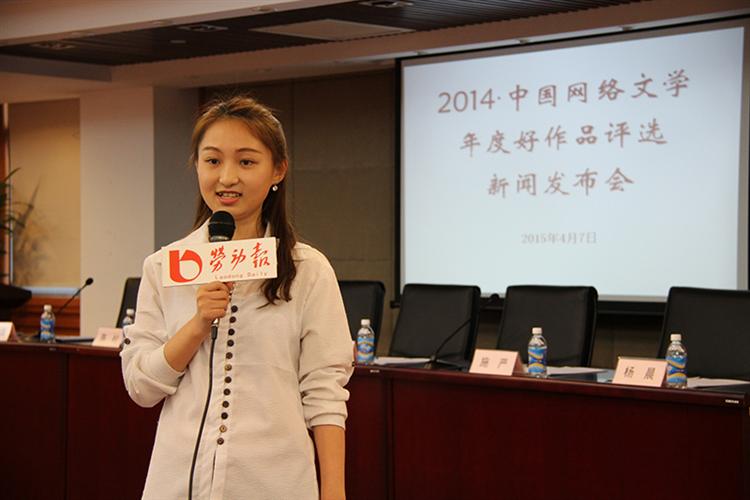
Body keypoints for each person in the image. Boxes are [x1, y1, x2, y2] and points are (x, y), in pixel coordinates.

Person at [121, 95, 353, 500]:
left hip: (274, 483)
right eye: (212, 160)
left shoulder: (307, 270)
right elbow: (141, 387)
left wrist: (333, 491)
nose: (227, 177)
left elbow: (324, 392)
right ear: (196, 165)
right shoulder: (165, 267)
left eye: (246, 162)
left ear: (277, 169)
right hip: (177, 483)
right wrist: (197, 326)